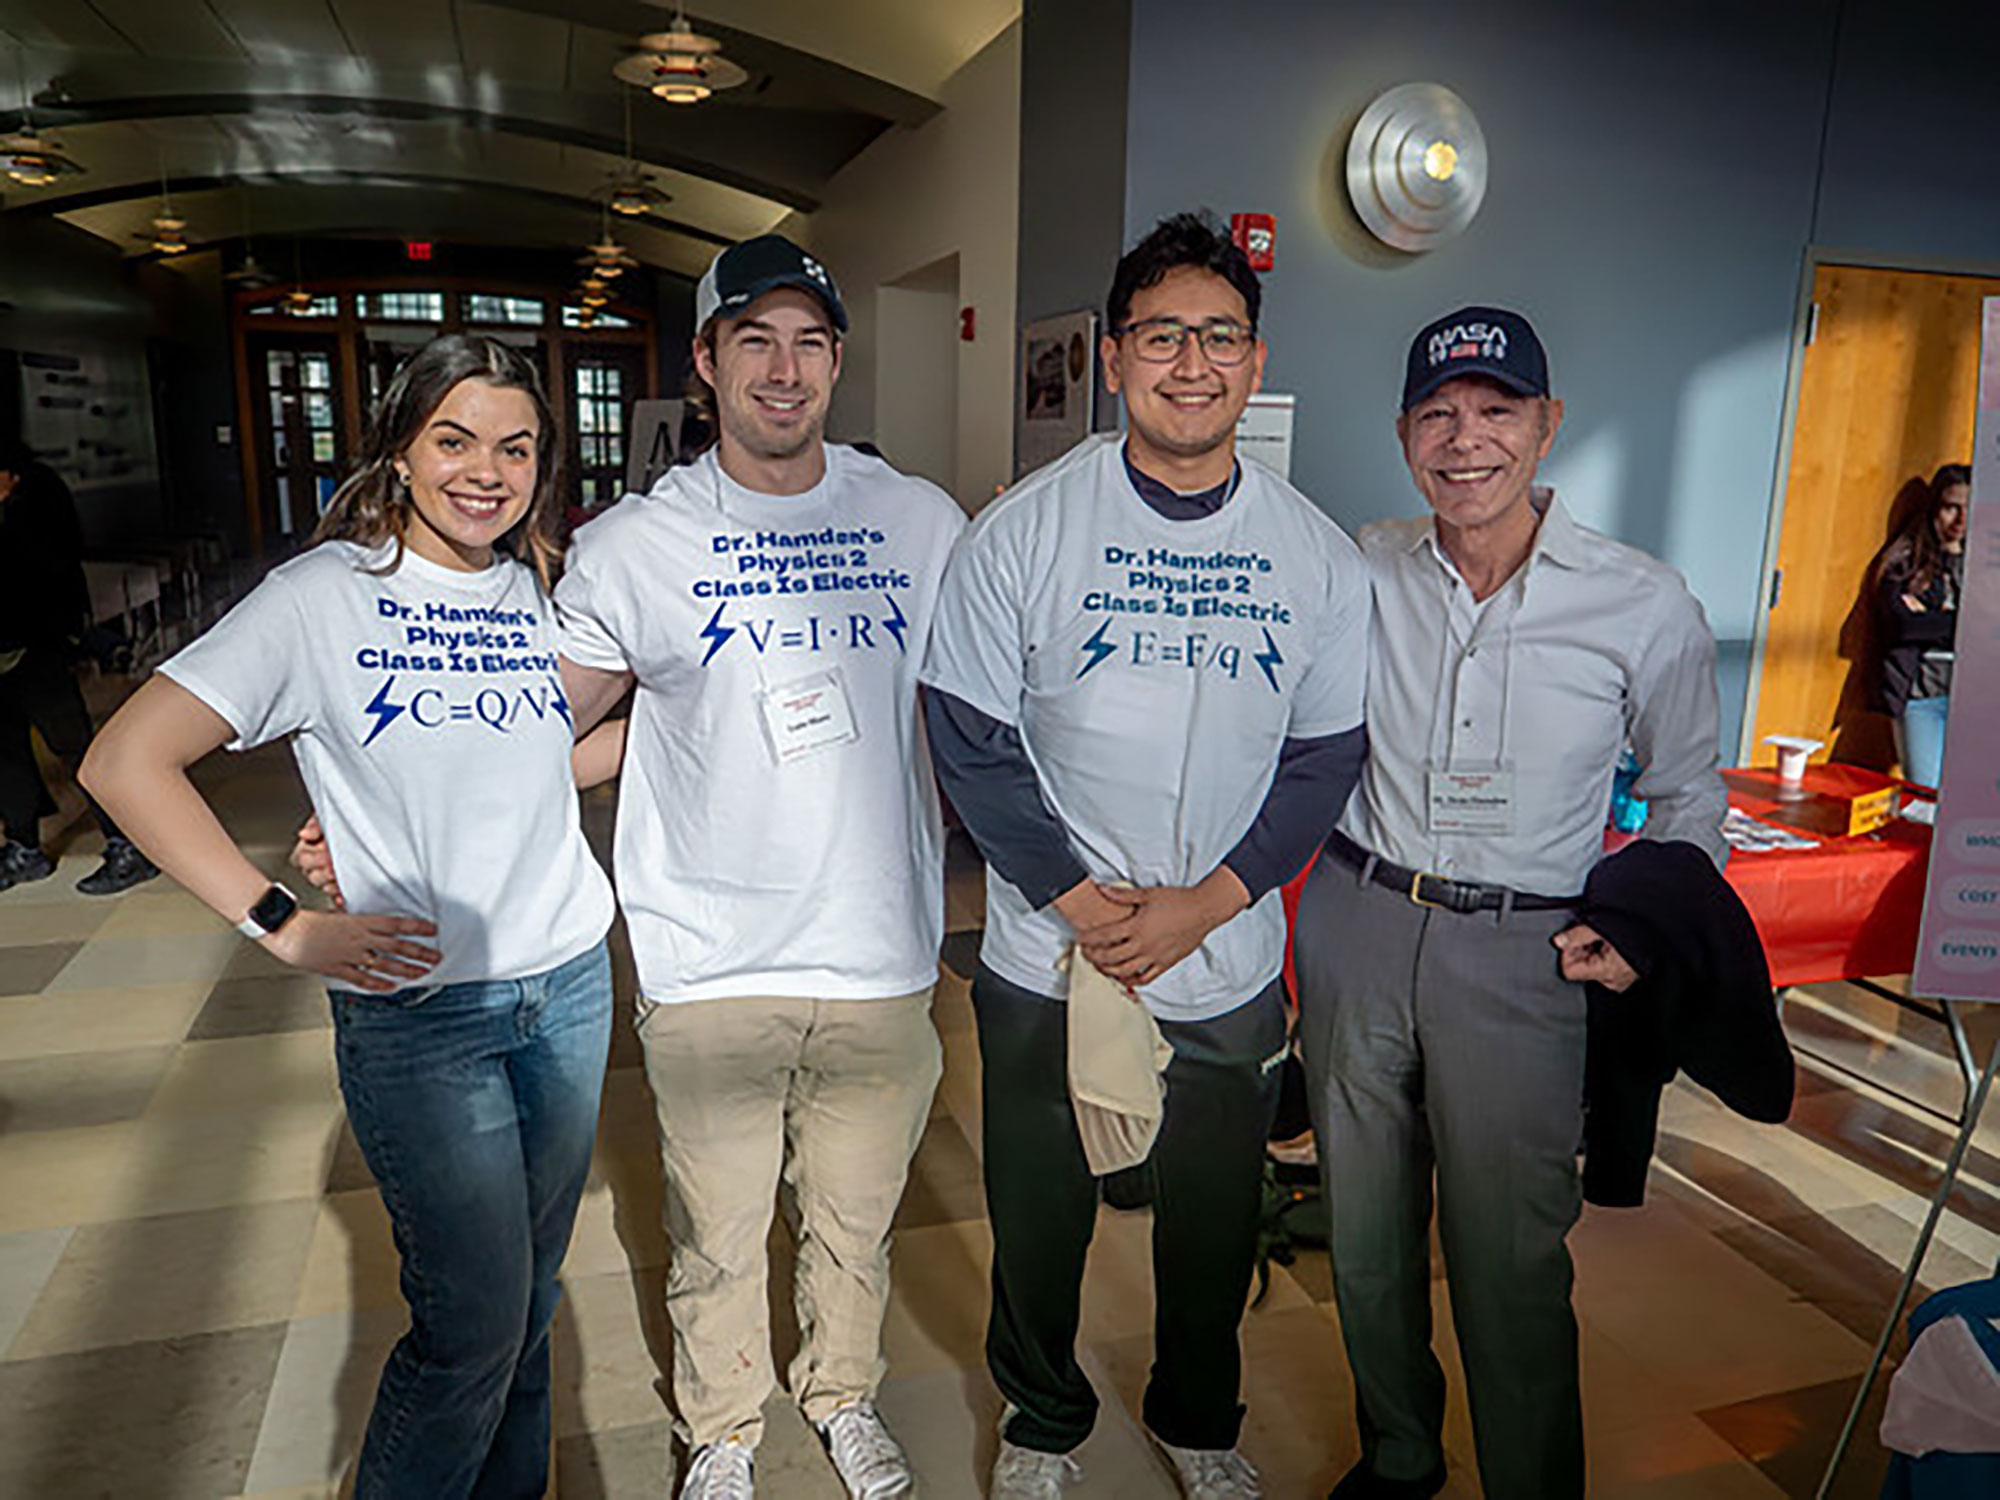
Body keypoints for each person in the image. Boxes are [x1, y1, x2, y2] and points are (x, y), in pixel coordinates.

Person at [79, 334, 620, 1500]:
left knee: (530, 1310)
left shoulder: (535, 586)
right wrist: (281, 920)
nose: (487, 470)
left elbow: (536, 765)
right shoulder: (322, 597)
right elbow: (125, 761)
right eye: (456, 440)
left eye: (516, 447)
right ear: (399, 449)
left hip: (569, 984)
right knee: (467, 1332)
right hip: (425, 1020)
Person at [922, 212, 1371, 1500]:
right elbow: (969, 736)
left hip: (1222, 944)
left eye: (1217, 336)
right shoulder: (1024, 531)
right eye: (1161, 335)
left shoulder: (1311, 553)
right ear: (1115, 359)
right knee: (1043, 1198)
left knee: (1213, 1207)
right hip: (1042, 940)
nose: (1190, 362)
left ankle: (1198, 1417)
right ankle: (1041, 1421)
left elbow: (1321, 758)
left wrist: (1204, 906)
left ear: (1254, 358)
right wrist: (1079, 902)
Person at [551, 235, 966, 1500]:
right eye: (754, 342)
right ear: (706, 362)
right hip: (707, 951)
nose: (781, 371)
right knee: (715, 1233)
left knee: (852, 1225)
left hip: (880, 943)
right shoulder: (636, 542)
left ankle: (840, 1398)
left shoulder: (917, 521)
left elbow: (988, 712)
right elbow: (542, 736)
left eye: (806, 343)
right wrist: (393, 826)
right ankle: (721, 1429)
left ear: (837, 361)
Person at [1292, 306, 1727, 1500]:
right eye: (1436, 413)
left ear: (1546, 427)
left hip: (1527, 949)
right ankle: (1397, 1455)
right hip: (1357, 919)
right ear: (1401, 433)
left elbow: (1692, 794)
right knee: (1367, 1240)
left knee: (1508, 1259)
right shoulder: (1357, 567)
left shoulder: (1640, 602)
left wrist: (1640, 928)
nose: (1464, 440)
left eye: (1495, 412)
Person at [0, 438, 159, 894]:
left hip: (38, 644)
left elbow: (55, 566)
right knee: (5, 752)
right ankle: (24, 846)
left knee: (74, 747)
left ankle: (128, 844)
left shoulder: (39, 494)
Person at [1875, 462, 1968, 797]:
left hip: (1975, 701)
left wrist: (1932, 620)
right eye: (1950, 508)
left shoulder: (1986, 564)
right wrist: (1963, 624)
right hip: (1922, 699)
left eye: (1968, 510)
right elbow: (1901, 625)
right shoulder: (1907, 560)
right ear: (1934, 508)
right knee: (1924, 798)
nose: (1959, 521)